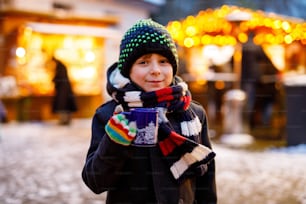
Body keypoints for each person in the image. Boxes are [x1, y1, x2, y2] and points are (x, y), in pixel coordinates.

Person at [82, 19, 217, 204]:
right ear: (128, 70)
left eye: (163, 61)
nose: (155, 70)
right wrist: (114, 142)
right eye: (143, 62)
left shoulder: (193, 113)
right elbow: (96, 182)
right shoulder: (109, 115)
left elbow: (206, 178)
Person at [51, 56, 77, 125]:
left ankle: (64, 120)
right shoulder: (61, 66)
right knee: (65, 106)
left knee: (63, 106)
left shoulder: (60, 67)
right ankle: (65, 120)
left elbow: (59, 77)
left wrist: (54, 80)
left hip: (63, 91)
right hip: (64, 89)